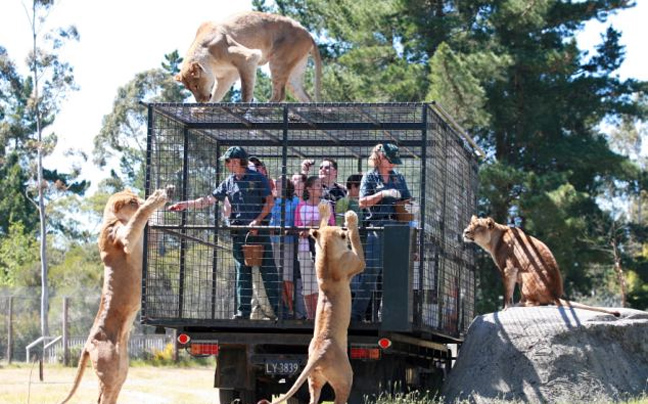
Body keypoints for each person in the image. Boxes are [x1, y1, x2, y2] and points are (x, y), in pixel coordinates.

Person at [168, 146, 280, 320]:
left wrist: (258, 221)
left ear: (237, 161)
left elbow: (270, 202)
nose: (227, 164)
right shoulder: (228, 182)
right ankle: (243, 312)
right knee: (242, 272)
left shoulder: (258, 178)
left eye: (228, 161)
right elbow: (207, 200)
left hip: (259, 232)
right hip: (238, 233)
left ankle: (280, 311)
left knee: (268, 271)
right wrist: (185, 204)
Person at [351, 143, 411, 322]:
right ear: (380, 158)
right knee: (372, 271)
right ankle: (356, 315)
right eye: (390, 160)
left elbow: (407, 198)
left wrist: (407, 202)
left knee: (394, 272)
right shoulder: (370, 177)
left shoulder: (398, 178)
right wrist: (382, 195)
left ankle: (389, 316)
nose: (393, 164)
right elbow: (362, 202)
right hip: (377, 227)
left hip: (397, 228)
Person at [295, 175, 335, 319]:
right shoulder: (301, 206)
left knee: (322, 284)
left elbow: (331, 225)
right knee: (307, 285)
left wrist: (315, 225)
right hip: (305, 250)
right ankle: (311, 317)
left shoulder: (326, 204)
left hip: (323, 250)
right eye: (317, 185)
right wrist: (308, 228)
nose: (320, 188)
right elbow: (298, 229)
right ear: (309, 189)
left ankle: (321, 317)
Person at [269, 176, 300, 317]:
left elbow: (297, 221)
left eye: (282, 182)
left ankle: (292, 306)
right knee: (277, 277)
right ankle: (284, 309)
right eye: (277, 182)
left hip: (288, 243)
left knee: (287, 277)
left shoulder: (294, 201)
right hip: (273, 241)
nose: (278, 184)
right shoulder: (272, 200)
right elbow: (269, 219)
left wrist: (288, 229)